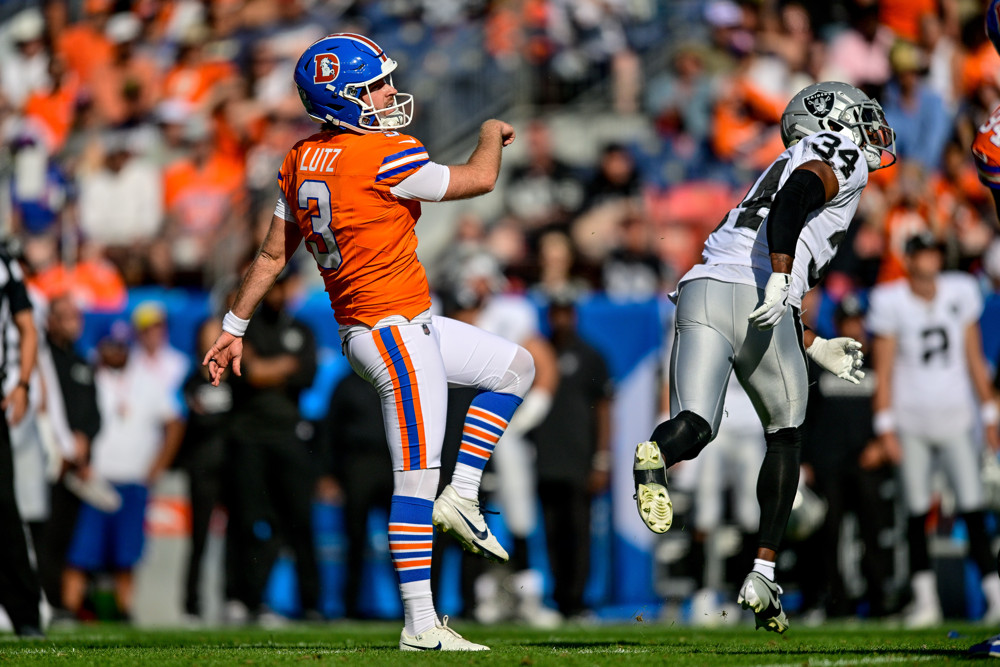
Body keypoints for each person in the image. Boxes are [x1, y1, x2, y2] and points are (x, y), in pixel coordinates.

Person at [203, 33, 532, 651]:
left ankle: (462, 493)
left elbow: (273, 255)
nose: (387, 94)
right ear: (341, 97)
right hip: (391, 334)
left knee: (516, 367)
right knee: (412, 480)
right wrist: (491, 128)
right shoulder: (382, 155)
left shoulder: (300, 160)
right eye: (374, 85)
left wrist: (233, 326)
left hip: (393, 329)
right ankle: (420, 625)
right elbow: (481, 178)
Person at [631, 80, 896, 634]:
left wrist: (816, 344)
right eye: (862, 115)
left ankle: (656, 453)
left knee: (696, 425)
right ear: (832, 120)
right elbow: (797, 199)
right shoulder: (837, 153)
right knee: (785, 433)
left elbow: (766, 232)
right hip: (762, 294)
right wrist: (780, 278)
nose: (872, 126)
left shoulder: (782, 157)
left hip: (703, 286)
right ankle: (762, 571)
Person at [868, 233, 1000, 628]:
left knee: (973, 507)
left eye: (934, 252)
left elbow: (975, 358)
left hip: (957, 416)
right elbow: (884, 368)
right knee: (915, 510)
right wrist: (885, 424)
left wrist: (990, 414)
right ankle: (926, 601)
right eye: (922, 253)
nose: (929, 260)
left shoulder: (959, 291)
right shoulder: (890, 300)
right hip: (911, 420)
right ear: (909, 259)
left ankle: (995, 596)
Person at [62, 322, 185, 621]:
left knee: (126, 555)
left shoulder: (147, 380)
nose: (116, 352)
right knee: (80, 552)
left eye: (121, 346)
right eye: (110, 346)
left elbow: (174, 423)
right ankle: (69, 608)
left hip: (133, 479)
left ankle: (124, 610)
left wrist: (157, 468)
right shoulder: (86, 376)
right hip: (93, 481)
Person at [223, 268, 320, 624]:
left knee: (299, 521)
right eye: (273, 286)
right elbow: (246, 373)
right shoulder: (245, 329)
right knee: (249, 520)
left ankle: (310, 602)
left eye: (283, 286)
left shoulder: (301, 330)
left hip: (288, 435)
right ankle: (243, 598)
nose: (278, 293)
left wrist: (265, 369)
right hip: (249, 436)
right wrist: (277, 370)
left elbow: (305, 374)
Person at [532, 291, 613, 620]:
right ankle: (560, 597)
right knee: (551, 533)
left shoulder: (590, 356)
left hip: (580, 460)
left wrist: (602, 458)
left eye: (566, 313)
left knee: (579, 533)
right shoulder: (538, 354)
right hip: (545, 459)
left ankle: (578, 599)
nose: (561, 320)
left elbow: (605, 407)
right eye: (556, 313)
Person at [0, 246, 44, 637]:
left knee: (4, 511)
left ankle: (25, 613)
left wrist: (23, 383)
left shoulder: (5, 263)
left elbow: (27, 327)